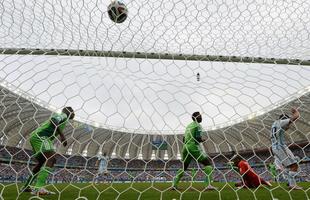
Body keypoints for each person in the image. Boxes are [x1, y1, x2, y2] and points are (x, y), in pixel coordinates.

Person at [21, 107, 75, 195]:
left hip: (36, 137)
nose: (74, 114)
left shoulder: (64, 120)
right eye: (73, 112)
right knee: (51, 158)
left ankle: (27, 186)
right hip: (42, 136)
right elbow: (54, 120)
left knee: (41, 162)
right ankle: (39, 188)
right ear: (68, 111)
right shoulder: (63, 115)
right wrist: (62, 136)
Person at [172, 112, 216, 190]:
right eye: (200, 116)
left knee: (183, 167)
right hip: (193, 146)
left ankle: (174, 185)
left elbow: (183, 139)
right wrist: (202, 140)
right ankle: (208, 185)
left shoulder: (188, 126)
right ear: (196, 117)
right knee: (207, 164)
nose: (201, 117)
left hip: (185, 147)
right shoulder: (198, 125)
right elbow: (197, 138)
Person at [271, 108, 302, 190]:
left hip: (276, 147)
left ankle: (291, 183)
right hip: (280, 147)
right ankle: (292, 185)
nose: (288, 125)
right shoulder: (281, 122)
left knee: (292, 166)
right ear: (284, 119)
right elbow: (295, 117)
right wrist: (296, 112)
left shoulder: (274, 124)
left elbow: (285, 128)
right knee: (294, 165)